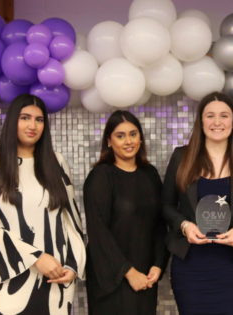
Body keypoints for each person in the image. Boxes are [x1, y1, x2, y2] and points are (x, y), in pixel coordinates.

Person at [0, 93, 86, 314]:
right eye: (25, 117)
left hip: (57, 276)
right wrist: (36, 257)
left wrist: (72, 265)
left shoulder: (57, 162)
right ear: (13, 120)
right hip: (11, 275)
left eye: (39, 119)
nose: (32, 125)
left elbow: (71, 219)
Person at [162, 92, 233, 315]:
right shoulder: (181, 157)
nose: (217, 122)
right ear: (201, 121)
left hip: (232, 266)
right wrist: (184, 225)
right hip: (190, 265)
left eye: (224, 116)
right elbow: (166, 204)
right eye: (210, 116)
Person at [83, 110, 169, 315]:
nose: (128, 141)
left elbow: (159, 223)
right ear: (109, 142)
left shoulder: (150, 174)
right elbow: (98, 232)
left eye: (133, 134)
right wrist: (128, 273)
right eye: (120, 136)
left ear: (140, 138)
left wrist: (158, 264)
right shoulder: (101, 176)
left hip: (146, 275)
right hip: (112, 278)